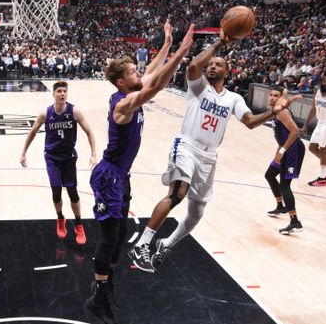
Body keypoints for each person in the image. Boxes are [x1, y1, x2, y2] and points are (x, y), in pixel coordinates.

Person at [128, 32, 303, 272]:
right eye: (210, 64)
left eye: (217, 64)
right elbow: (193, 66)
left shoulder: (233, 98)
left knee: (197, 211)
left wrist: (275, 111)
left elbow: (250, 122)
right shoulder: (199, 87)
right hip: (187, 145)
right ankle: (142, 243)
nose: (211, 66)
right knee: (178, 193)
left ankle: (166, 244)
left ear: (227, 71)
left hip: (209, 156)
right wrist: (220, 42)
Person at [85, 20, 195, 324]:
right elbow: (157, 83)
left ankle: (107, 283)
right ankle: (99, 295)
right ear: (122, 82)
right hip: (109, 176)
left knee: (120, 235)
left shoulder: (129, 88)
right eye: (133, 72)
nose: (140, 72)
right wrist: (184, 51)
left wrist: (168, 44)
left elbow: (151, 73)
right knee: (109, 238)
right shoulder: (125, 105)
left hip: (123, 175)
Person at [19, 81, 97, 244]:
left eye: (65, 91)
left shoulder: (74, 111)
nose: (62, 94)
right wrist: (24, 153)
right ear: (53, 94)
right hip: (52, 157)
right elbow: (32, 132)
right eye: (59, 91)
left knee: (72, 191)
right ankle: (60, 218)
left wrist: (93, 154)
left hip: (68, 156)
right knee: (56, 191)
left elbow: (89, 131)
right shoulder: (45, 113)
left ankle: (78, 224)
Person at [264, 88, 306, 235]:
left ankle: (295, 222)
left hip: (293, 150)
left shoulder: (282, 112)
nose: (272, 98)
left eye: (276, 95)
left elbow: (295, 132)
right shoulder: (276, 111)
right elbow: (283, 135)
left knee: (284, 185)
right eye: (271, 95)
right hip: (285, 148)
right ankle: (281, 206)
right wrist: (278, 151)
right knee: (269, 175)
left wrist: (282, 152)